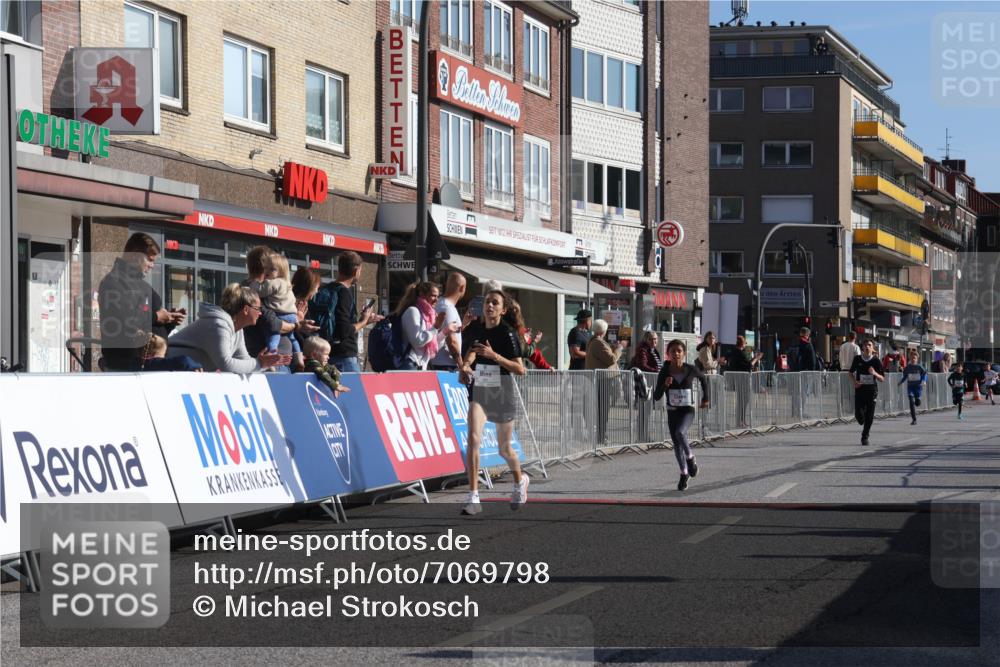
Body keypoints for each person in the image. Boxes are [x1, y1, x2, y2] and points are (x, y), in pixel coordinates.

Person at [457, 288, 528, 516]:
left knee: (504, 449)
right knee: (473, 438)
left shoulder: (507, 333)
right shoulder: (477, 328)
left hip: (502, 393)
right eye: (487, 302)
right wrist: (466, 367)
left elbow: (520, 369)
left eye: (495, 303)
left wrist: (495, 356)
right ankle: (474, 497)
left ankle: (520, 482)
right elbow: (471, 353)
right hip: (480, 390)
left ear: (502, 309)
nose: (489, 306)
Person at [98, 232, 185, 371]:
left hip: (148, 363)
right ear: (134, 255)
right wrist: (157, 317)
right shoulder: (113, 283)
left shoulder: (141, 285)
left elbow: (149, 328)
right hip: (127, 366)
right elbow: (123, 320)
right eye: (150, 260)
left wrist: (168, 322)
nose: (152, 265)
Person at [165, 284, 291, 373]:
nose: (260, 313)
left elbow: (245, 361)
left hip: (181, 372)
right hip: (168, 368)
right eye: (258, 309)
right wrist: (260, 363)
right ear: (246, 310)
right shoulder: (218, 325)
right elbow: (226, 364)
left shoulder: (238, 329)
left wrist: (265, 363)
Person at [241, 246, 316, 372]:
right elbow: (273, 324)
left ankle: (298, 358)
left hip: (280, 361)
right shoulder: (253, 292)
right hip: (269, 362)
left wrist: (297, 320)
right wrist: (296, 324)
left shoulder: (270, 289)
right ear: (265, 267)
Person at [307, 251, 381, 373]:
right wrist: (363, 321)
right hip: (344, 356)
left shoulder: (325, 289)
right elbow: (344, 330)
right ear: (356, 271)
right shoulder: (344, 293)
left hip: (326, 353)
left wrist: (364, 322)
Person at [653, 339, 710, 491]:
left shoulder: (691, 369)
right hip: (672, 412)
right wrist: (665, 384)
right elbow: (656, 396)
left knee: (680, 432)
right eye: (673, 351)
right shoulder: (664, 372)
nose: (676, 354)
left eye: (679, 351)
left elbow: (704, 379)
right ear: (668, 354)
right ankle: (684, 473)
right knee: (676, 444)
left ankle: (691, 458)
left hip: (687, 410)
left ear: (684, 353)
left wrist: (706, 398)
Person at [397, 281, 459, 371]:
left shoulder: (429, 315)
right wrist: (436, 327)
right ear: (422, 294)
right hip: (409, 364)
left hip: (422, 366)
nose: (436, 299)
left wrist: (445, 332)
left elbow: (432, 342)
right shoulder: (413, 311)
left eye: (438, 296)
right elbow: (418, 341)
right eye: (433, 296)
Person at [586, 319, 628, 445]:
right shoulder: (598, 343)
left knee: (603, 409)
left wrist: (612, 348)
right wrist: (619, 348)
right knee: (603, 409)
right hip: (604, 379)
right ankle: (601, 436)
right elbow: (611, 359)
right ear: (603, 331)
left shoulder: (595, 342)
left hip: (602, 379)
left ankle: (602, 435)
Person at [260, 253, 302, 365]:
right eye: (265, 268)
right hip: (292, 316)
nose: (267, 271)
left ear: (281, 272)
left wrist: (255, 285)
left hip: (281, 315)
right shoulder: (287, 284)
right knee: (292, 338)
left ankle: (272, 353)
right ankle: (299, 357)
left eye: (272, 269)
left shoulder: (274, 282)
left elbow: (261, 292)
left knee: (274, 335)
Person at [850, 339, 884, 446]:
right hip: (860, 389)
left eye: (869, 345)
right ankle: (861, 419)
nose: (867, 347)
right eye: (865, 345)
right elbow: (850, 373)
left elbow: (882, 378)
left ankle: (865, 437)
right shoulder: (857, 359)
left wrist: (874, 373)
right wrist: (855, 382)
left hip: (871, 391)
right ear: (862, 348)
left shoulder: (876, 361)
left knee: (869, 416)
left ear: (873, 348)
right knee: (859, 416)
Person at [430, 272, 467, 371]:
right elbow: (452, 341)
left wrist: (463, 324)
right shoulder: (448, 307)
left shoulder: (439, 304)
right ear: (462, 288)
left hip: (436, 362)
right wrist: (461, 365)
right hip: (446, 365)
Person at [504, 299, 554, 371]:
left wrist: (547, 367)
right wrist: (534, 341)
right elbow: (529, 352)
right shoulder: (516, 331)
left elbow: (533, 353)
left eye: (516, 311)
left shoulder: (520, 331)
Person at [630, 330, 661, 442]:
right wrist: (656, 371)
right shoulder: (642, 349)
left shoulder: (653, 350)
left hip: (651, 382)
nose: (654, 341)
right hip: (644, 383)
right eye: (651, 339)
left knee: (647, 411)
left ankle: (644, 435)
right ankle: (642, 436)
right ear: (646, 339)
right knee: (644, 410)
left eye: (656, 339)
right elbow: (642, 365)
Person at [291, 267, 322, 372]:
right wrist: (298, 323)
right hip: (293, 357)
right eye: (316, 287)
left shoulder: (301, 303)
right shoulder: (293, 304)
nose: (317, 291)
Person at [898, 349, 927, 425]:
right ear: (910, 359)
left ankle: (918, 400)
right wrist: (901, 382)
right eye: (911, 358)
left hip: (918, 387)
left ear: (917, 359)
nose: (913, 359)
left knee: (917, 403)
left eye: (914, 358)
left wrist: (923, 380)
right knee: (911, 402)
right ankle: (914, 419)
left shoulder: (919, 367)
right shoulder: (907, 368)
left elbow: (924, 374)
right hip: (910, 387)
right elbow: (905, 376)